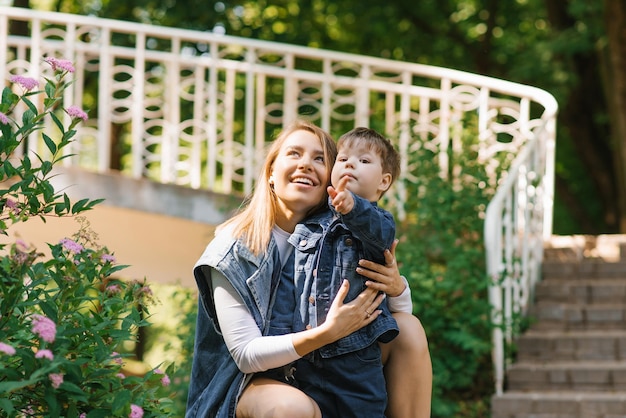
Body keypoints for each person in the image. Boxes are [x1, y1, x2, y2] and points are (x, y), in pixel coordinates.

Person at [185, 120, 432, 418]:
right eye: (294, 154)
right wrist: (326, 333)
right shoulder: (233, 248)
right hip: (249, 382)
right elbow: (246, 356)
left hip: (326, 369)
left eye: (319, 159)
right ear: (271, 173)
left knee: (409, 330)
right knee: (291, 408)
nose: (306, 165)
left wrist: (396, 288)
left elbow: (393, 311)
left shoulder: (343, 236)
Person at [286, 127, 403, 417]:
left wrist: (353, 208)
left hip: (356, 360)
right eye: (343, 159)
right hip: (308, 359)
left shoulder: (379, 221)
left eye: (364, 161)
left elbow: (379, 235)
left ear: (383, 182)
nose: (350, 164)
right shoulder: (310, 223)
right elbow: (292, 282)